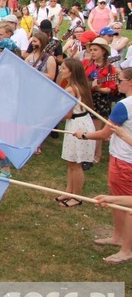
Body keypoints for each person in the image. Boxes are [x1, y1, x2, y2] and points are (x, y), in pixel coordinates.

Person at [73, 67, 132, 263]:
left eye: (121, 80)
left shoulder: (123, 106)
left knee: (128, 204)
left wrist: (84, 135)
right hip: (123, 157)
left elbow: (105, 133)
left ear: (130, 82)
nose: (117, 83)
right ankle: (118, 237)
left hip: (124, 160)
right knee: (118, 199)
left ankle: (126, 249)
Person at [53, 58, 95, 207]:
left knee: (76, 163)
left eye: (64, 69)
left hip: (78, 125)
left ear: (71, 72)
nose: (61, 71)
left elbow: (68, 114)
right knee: (71, 161)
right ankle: (69, 191)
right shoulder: (77, 86)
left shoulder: (71, 89)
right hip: (79, 123)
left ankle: (77, 197)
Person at [83, 37, 117, 163]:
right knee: (86, 125)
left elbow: (110, 89)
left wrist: (99, 88)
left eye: (95, 50)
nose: (92, 52)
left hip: (100, 99)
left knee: (98, 129)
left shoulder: (109, 69)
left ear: (103, 51)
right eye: (91, 49)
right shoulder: (85, 63)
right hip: (87, 96)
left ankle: (97, 154)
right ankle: (86, 151)